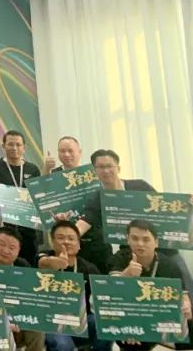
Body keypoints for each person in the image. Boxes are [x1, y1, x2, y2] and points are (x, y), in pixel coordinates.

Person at [107, 220, 193, 351]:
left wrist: (186, 305)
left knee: (189, 323)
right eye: (135, 238)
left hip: (160, 313)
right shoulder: (119, 258)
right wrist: (127, 274)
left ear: (156, 242)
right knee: (132, 341)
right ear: (128, 240)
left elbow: (182, 294)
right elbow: (110, 289)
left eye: (146, 239)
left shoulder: (169, 264)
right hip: (131, 315)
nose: (140, 244)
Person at [76, 150, 158, 273]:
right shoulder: (96, 199)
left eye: (109, 166)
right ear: (95, 171)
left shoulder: (140, 186)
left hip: (158, 247)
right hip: (128, 252)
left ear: (118, 168)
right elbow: (84, 223)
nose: (106, 171)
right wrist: (65, 234)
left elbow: (162, 205)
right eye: (101, 167)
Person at [37, 220, 110, 351]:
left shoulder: (88, 268)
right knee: (63, 345)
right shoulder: (43, 258)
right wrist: (56, 263)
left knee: (106, 325)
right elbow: (43, 262)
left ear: (79, 244)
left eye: (71, 238)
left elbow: (104, 294)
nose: (66, 242)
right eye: (60, 238)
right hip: (52, 321)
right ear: (52, 242)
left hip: (81, 319)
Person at [0, 131, 44, 262]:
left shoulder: (33, 169)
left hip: (28, 231)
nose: (14, 148)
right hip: (3, 230)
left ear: (24, 147)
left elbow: (39, 198)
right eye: (10, 144)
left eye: (18, 145)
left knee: (28, 265)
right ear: (3, 146)